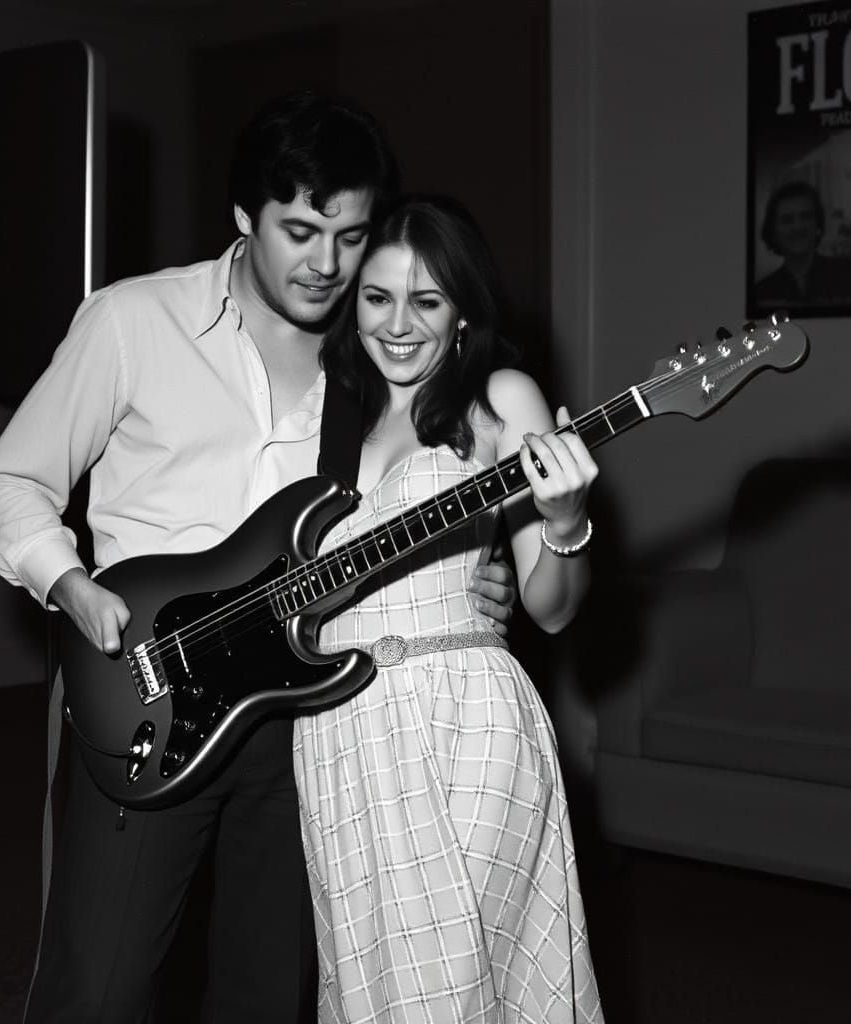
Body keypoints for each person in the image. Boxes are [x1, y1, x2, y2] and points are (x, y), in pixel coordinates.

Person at [0, 94, 516, 1023]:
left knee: (268, 993)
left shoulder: (372, 360)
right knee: (99, 990)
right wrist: (69, 584)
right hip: (140, 687)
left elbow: (404, 502)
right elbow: (9, 483)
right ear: (242, 216)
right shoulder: (133, 321)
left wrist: (473, 570)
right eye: (300, 231)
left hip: (300, 711)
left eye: (350, 236)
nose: (327, 264)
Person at [293, 195, 605, 1022]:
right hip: (336, 730)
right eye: (378, 296)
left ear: (462, 310)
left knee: (462, 984)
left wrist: (565, 524)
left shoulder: (500, 396)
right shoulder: (323, 410)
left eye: (426, 301)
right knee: (368, 988)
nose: (398, 324)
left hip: (464, 717)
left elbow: (551, 609)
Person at [752, 181, 851, 308]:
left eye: (805, 217)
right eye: (787, 220)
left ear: (818, 225)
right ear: (773, 231)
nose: (797, 227)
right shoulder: (762, 292)